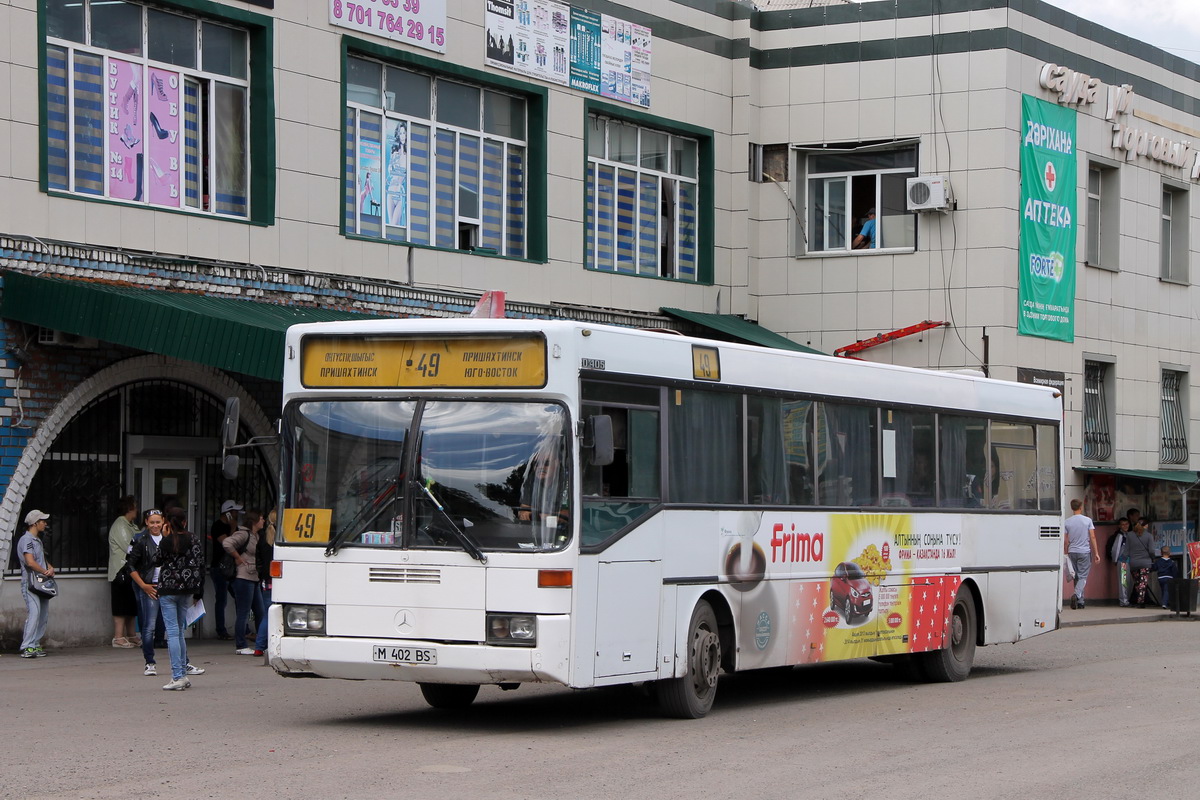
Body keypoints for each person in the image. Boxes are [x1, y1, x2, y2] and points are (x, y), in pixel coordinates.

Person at [155, 513, 206, 690]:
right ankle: (182, 672)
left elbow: (156, 560)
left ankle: (178, 676)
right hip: (187, 589)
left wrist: (164, 536)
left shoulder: (167, 541)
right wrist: (199, 591)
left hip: (168, 589)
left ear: (168, 523)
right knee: (180, 631)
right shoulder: (194, 539)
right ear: (184, 522)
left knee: (172, 632)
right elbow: (200, 563)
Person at [127, 509, 165, 675]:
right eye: (152, 522)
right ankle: (150, 662)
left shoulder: (169, 539)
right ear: (146, 523)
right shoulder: (140, 540)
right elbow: (130, 564)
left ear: (163, 521)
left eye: (158, 522)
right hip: (149, 586)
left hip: (167, 587)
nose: (155, 525)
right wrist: (143, 585)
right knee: (148, 626)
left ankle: (183, 662)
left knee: (173, 626)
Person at [224, 508, 266, 655]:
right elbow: (227, 543)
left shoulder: (257, 535)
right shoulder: (244, 534)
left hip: (254, 576)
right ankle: (241, 645)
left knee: (261, 611)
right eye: (261, 518)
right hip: (243, 576)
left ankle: (262, 643)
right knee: (243, 611)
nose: (263, 521)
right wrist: (237, 557)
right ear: (254, 521)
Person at [18, 510, 54, 658]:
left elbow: (40, 560)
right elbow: (30, 562)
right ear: (34, 523)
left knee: (43, 614)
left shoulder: (37, 539)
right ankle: (27, 646)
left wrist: (49, 567)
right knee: (35, 612)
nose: (45, 523)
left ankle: (35, 644)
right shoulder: (26, 540)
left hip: (41, 583)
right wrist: (45, 572)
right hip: (31, 582)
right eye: (42, 521)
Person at [108, 495, 141, 648]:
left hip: (130, 571)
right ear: (129, 508)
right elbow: (129, 546)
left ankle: (131, 634)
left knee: (130, 604)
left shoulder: (130, 525)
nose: (137, 509)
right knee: (121, 604)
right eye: (135, 506)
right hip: (120, 571)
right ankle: (118, 637)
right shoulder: (120, 525)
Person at [209, 499, 241, 640]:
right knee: (221, 599)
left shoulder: (233, 527)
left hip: (231, 568)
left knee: (239, 597)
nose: (236, 515)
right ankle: (221, 630)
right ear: (228, 513)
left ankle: (243, 629)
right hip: (220, 567)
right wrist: (233, 528)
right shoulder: (218, 526)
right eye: (234, 512)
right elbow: (227, 543)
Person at [1063, 498, 1099, 609]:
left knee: (1077, 577)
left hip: (1072, 551)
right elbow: (1092, 536)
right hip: (1084, 551)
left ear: (1071, 507)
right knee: (1083, 576)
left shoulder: (1067, 522)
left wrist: (1066, 552)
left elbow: (1065, 540)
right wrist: (1096, 553)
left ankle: (1080, 602)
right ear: (1081, 507)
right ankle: (1077, 595)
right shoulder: (1087, 520)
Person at [254, 507, 277, 657]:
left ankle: (259, 646)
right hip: (279, 580)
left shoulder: (262, 539)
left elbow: (259, 561)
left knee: (267, 615)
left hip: (266, 581)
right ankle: (262, 645)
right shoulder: (282, 539)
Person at [1126, 519, 1157, 608]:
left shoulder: (1129, 535)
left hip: (1133, 563)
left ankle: (1139, 599)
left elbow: (1126, 550)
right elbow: (1151, 550)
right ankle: (1141, 601)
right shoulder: (1149, 536)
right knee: (1143, 582)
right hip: (1145, 563)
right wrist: (1153, 558)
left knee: (1137, 582)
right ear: (1146, 526)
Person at [1107, 517, 1132, 607]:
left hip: (1128, 561)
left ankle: (1126, 599)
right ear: (1119, 526)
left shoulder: (1128, 534)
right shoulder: (1120, 536)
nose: (1125, 526)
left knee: (1127, 582)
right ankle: (1123, 600)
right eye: (1123, 524)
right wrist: (1115, 560)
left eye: (1127, 524)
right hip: (1123, 562)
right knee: (1123, 581)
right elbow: (1116, 549)